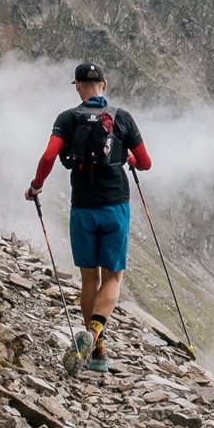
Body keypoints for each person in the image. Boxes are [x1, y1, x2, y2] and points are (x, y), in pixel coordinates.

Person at [25, 62, 150, 374]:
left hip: (82, 206)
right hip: (115, 206)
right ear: (104, 86)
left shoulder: (67, 118)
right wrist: (128, 157)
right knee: (113, 278)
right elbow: (145, 163)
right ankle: (94, 335)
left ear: (78, 87)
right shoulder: (122, 117)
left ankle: (97, 352)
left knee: (88, 278)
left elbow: (48, 156)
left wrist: (36, 186)